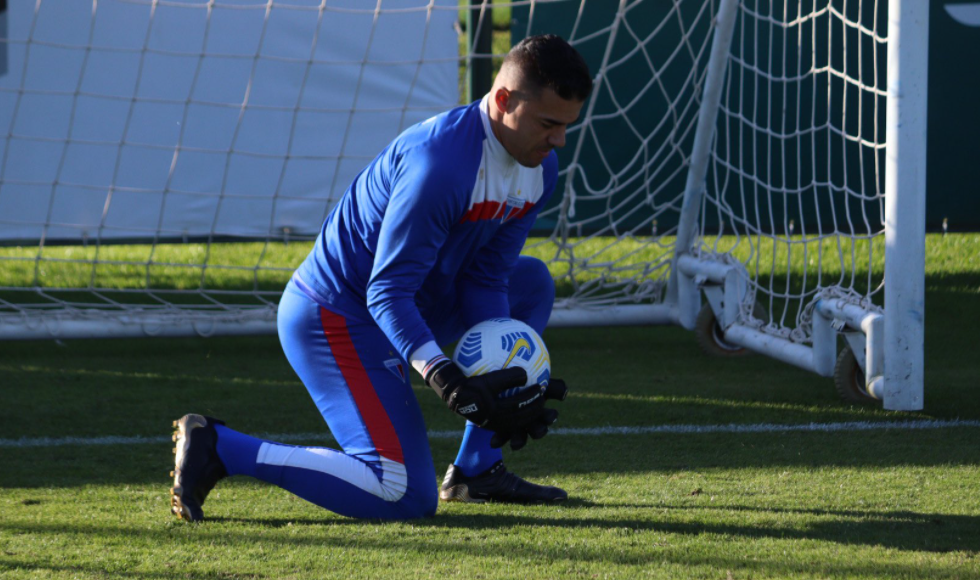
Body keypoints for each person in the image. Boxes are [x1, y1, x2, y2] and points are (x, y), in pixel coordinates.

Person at [169, 34, 593, 521]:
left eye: (566, 126)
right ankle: (222, 446)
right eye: (548, 124)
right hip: (335, 314)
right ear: (502, 100)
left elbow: (487, 278)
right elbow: (386, 291)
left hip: (411, 301)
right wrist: (448, 377)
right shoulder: (442, 165)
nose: (559, 140)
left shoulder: (540, 167)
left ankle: (478, 468)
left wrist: (500, 378)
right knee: (404, 495)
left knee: (531, 282)